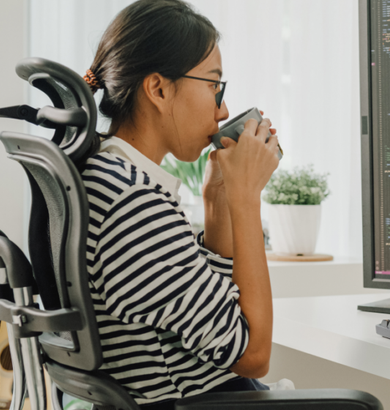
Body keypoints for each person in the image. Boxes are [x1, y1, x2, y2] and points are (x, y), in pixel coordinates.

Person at [79, 0, 280, 408]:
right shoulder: (133, 203)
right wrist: (246, 199)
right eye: (213, 85)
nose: (222, 108)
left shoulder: (105, 175)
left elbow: (217, 307)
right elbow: (252, 355)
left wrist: (218, 200)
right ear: (158, 88)